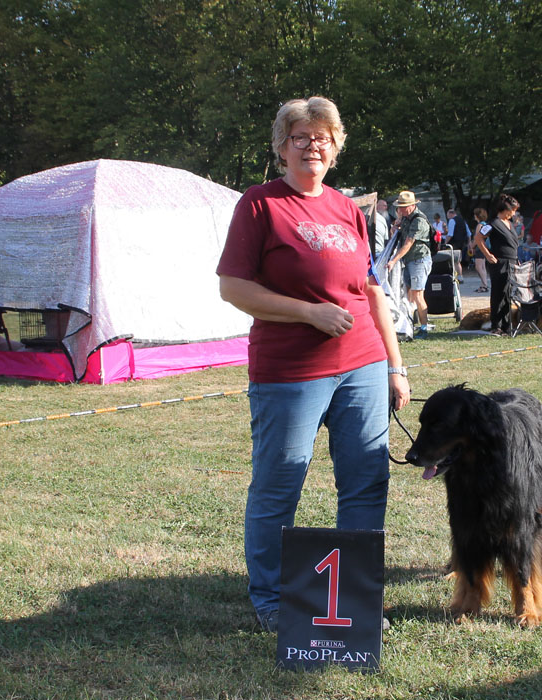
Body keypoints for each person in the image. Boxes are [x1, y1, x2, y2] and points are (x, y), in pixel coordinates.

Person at [216, 96, 410, 634]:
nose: (312, 145)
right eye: (300, 137)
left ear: (335, 147)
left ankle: (356, 597)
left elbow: (373, 291)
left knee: (367, 484)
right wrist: (307, 313)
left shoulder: (349, 209)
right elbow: (233, 286)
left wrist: (395, 365)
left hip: (364, 364)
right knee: (279, 484)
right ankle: (273, 601)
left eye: (322, 137)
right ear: (282, 147)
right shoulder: (260, 204)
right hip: (290, 372)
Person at [386, 190, 434, 338]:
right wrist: (396, 224)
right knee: (409, 295)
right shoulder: (406, 218)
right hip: (409, 261)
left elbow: (408, 244)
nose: (399, 209)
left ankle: (424, 328)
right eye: (399, 206)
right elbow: (396, 234)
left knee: (418, 295)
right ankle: (411, 324)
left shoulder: (419, 221)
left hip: (419, 260)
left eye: (402, 206)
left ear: (412, 205)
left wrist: (393, 260)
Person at [475, 193, 520, 335]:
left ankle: (507, 324)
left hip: (512, 262)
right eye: (513, 210)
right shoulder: (493, 224)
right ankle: (496, 325)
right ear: (506, 209)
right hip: (499, 262)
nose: (514, 213)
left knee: (508, 294)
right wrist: (488, 255)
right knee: (498, 294)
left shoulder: (510, 224)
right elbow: (478, 238)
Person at [468, 207, 491, 293]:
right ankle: (483, 284)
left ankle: (484, 285)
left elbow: (477, 239)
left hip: (479, 248)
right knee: (483, 267)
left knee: (478, 267)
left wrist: (472, 247)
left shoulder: (479, 225)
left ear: (477, 216)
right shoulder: (485, 224)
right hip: (485, 248)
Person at [445, 208, 469, 280]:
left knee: (454, 260)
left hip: (454, 243)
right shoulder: (463, 220)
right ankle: (460, 276)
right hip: (461, 243)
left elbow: (450, 234)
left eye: (448, 215)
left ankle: (455, 276)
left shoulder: (452, 221)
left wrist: (444, 243)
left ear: (451, 214)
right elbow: (469, 233)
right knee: (458, 260)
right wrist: (469, 242)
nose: (447, 217)